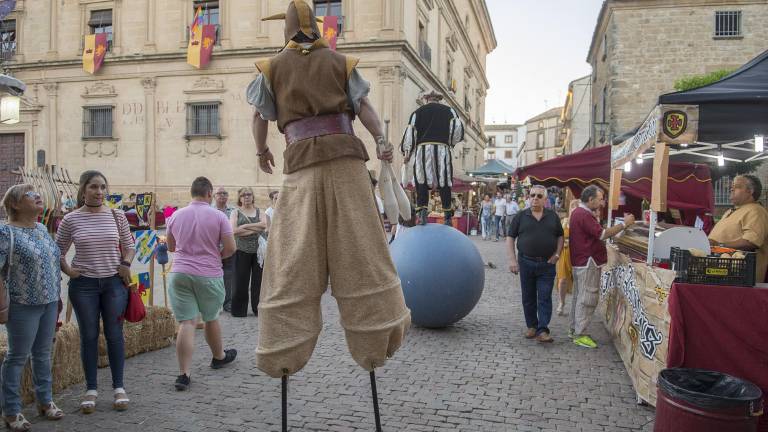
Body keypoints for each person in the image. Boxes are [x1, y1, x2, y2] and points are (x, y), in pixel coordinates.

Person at [248, 0, 410, 415]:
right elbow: (366, 109)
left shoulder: (271, 67)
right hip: (345, 164)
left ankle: (282, 348)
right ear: (317, 28)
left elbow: (259, 118)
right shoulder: (340, 62)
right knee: (362, 249)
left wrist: (261, 150)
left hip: (301, 168)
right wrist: (380, 140)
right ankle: (376, 335)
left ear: (284, 29)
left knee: (293, 259)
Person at [56, 170, 135, 414]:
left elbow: (130, 245)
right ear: (83, 190)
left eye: (102, 187)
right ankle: (91, 389)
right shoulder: (71, 219)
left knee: (114, 334)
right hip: (84, 287)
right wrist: (69, 270)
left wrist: (126, 264)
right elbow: (57, 250)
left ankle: (119, 387)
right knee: (89, 336)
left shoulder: (117, 215)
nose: (99, 192)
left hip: (113, 284)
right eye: (93, 187)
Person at [0, 185, 64, 431]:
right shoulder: (6, 232)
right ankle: (12, 410)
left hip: (48, 301)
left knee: (43, 353)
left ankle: (45, 401)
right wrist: (1, 305)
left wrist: (72, 272)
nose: (37, 196)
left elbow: (54, 258)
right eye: (29, 194)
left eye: (37, 192)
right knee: (17, 357)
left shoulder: (40, 228)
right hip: (22, 303)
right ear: (15, 204)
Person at [166, 177, 238, 391]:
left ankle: (184, 374)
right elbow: (231, 247)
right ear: (209, 194)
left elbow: (171, 246)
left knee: (187, 323)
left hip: (180, 272)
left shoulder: (175, 215)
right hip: (208, 273)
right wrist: (216, 255)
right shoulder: (219, 216)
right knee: (211, 317)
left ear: (191, 193)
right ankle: (218, 356)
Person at [569, 185, 635, 349]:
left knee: (580, 296)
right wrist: (624, 224)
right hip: (587, 261)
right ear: (590, 199)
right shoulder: (583, 214)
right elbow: (602, 234)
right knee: (587, 298)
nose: (602, 202)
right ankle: (580, 333)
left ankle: (575, 329)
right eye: (600, 199)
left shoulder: (580, 212)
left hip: (582, 261)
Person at [506, 185, 564, 343]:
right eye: (532, 195)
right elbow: (510, 237)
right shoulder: (521, 216)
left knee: (544, 296)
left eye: (539, 196)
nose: (535, 198)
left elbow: (560, 236)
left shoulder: (553, 216)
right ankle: (531, 326)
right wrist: (512, 259)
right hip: (526, 262)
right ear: (528, 197)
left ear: (545, 199)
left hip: (547, 264)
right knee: (528, 296)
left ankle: (543, 329)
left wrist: (557, 254)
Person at [400, 89, 464, 226]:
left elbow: (410, 132)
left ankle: (422, 214)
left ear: (426, 99)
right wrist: (450, 143)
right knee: (445, 180)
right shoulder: (450, 111)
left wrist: (407, 152)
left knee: (421, 180)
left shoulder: (417, 112)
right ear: (438, 99)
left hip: (423, 149)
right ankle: (447, 216)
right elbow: (457, 129)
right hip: (442, 149)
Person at [708, 175, 768, 280]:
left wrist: (719, 245)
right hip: (720, 272)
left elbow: (751, 242)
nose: (731, 189)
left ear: (750, 191)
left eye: (737, 186)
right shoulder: (730, 211)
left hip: (741, 276)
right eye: (732, 186)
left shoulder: (756, 211)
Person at [229, 187, 267, 318]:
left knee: (258, 282)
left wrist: (244, 227)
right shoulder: (235, 212)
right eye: (244, 195)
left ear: (253, 197)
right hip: (241, 250)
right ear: (240, 198)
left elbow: (264, 225)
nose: (246, 197)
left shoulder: (259, 211)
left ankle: (258, 309)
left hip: (258, 252)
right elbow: (234, 230)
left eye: (249, 194)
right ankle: (239, 311)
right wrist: (255, 229)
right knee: (240, 281)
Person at [212, 187, 236, 313]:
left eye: (224, 193)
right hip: (213, 249)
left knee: (229, 276)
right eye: (219, 193)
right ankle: (215, 303)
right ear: (214, 196)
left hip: (229, 249)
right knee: (213, 277)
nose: (222, 195)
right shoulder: (209, 211)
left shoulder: (233, 210)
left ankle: (228, 302)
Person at [556, 200, 580, 315]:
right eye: (572, 208)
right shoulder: (564, 222)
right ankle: (561, 302)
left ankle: (577, 305)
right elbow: (557, 236)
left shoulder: (582, 223)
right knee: (562, 280)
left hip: (577, 253)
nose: (574, 210)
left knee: (578, 281)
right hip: (564, 253)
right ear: (570, 210)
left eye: (577, 208)